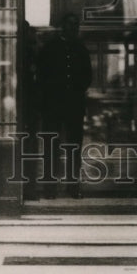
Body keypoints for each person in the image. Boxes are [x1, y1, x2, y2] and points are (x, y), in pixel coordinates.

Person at [36, 13, 92, 197]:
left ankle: (73, 188)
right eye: (70, 25)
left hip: (74, 106)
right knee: (51, 146)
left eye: (76, 25)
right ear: (62, 27)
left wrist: (76, 91)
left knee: (74, 147)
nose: (73, 29)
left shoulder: (81, 48)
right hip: (52, 105)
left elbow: (87, 76)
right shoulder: (50, 48)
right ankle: (50, 188)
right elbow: (41, 76)